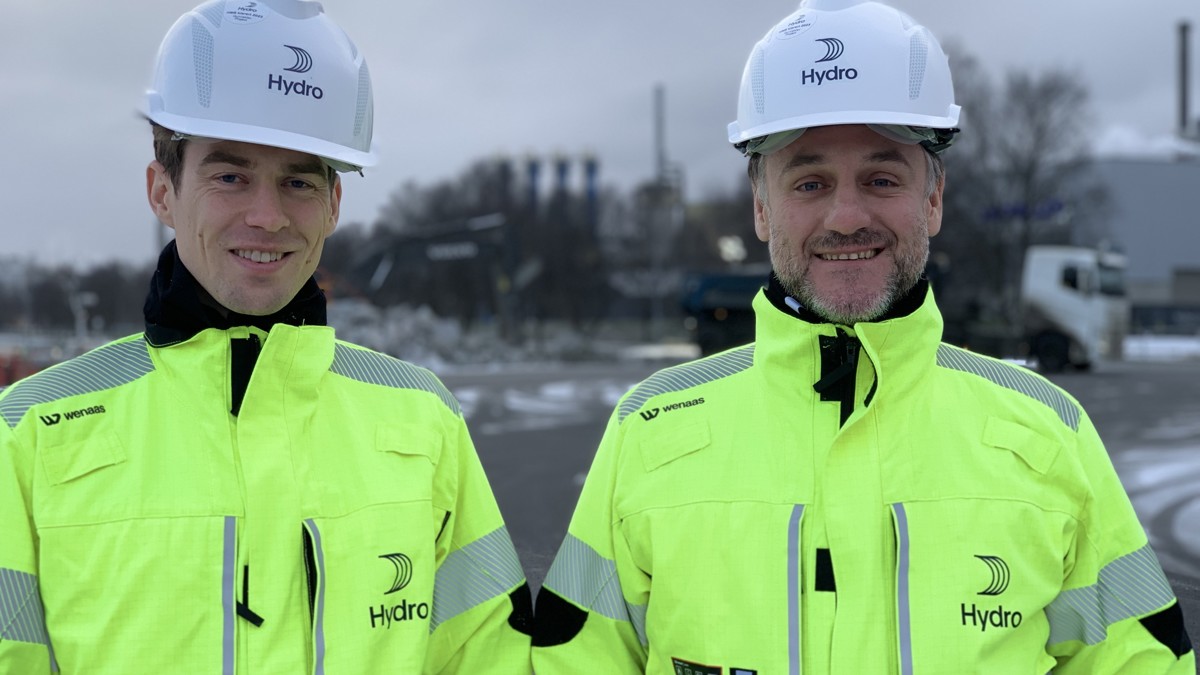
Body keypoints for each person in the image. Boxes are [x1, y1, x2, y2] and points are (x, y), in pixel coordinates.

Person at [531, 1, 1194, 672]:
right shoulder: (649, 433)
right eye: (809, 182)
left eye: (881, 179)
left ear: (932, 199)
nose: (846, 217)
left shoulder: (1049, 436)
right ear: (762, 206)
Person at [0, 1, 532, 672]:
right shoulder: (29, 434)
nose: (268, 216)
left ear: (333, 204)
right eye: (231, 176)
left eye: (298, 181)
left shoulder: (423, 420)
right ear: (162, 192)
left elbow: (487, 655)